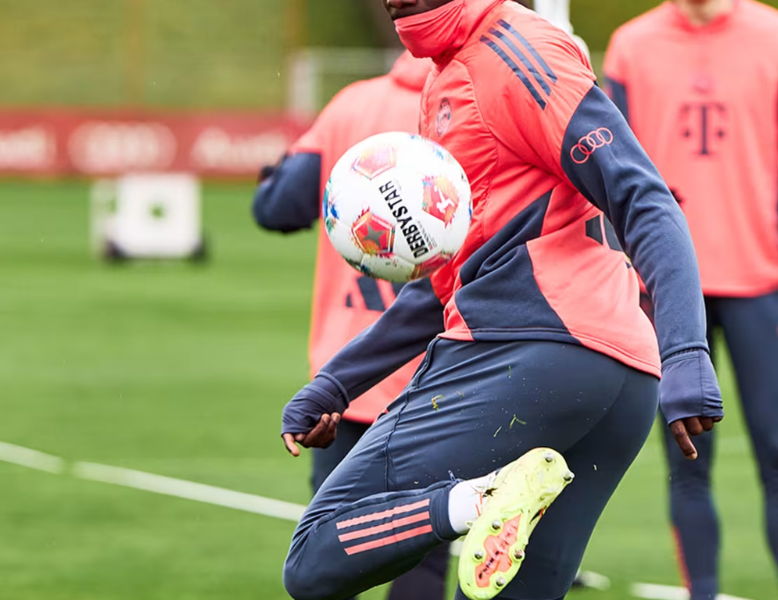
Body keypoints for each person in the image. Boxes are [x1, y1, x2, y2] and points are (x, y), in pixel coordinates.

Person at [276, 1, 724, 600]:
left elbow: (643, 196)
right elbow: (452, 280)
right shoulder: (453, 70)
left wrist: (688, 348)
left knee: (313, 555)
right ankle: (483, 499)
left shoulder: (517, 53)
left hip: (526, 355)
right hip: (613, 377)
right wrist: (337, 383)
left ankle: (477, 500)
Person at [602, 2, 778, 599]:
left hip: (761, 283)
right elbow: (608, 173)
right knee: (689, 465)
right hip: (667, 293)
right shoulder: (630, 47)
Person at [254, 51, 452, 600]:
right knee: (420, 553)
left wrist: (274, 175)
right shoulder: (470, 107)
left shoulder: (353, 104)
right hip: (436, 377)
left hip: (344, 379)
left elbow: (277, 208)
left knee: (328, 557)